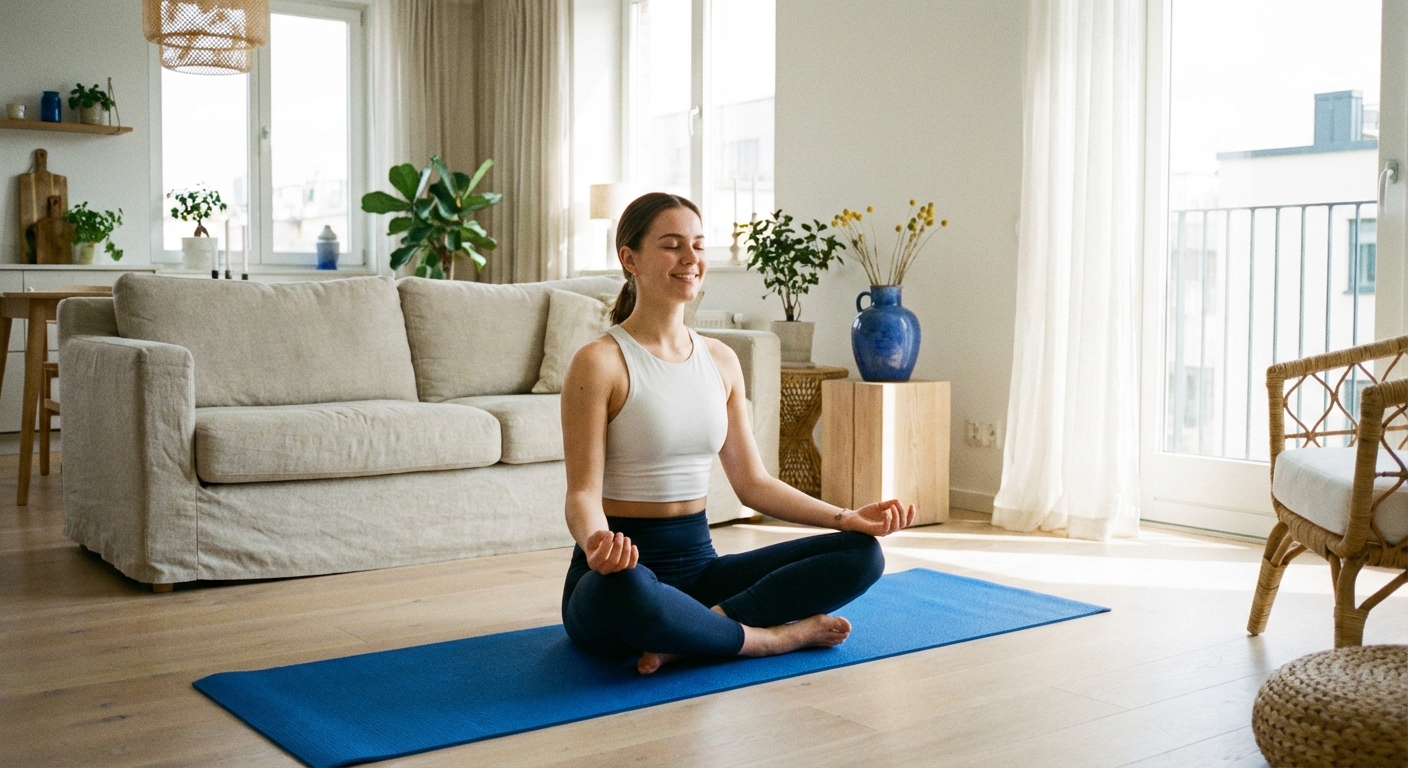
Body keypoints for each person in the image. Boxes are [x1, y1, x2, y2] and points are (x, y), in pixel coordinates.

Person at [560, 192, 915, 674]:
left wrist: (847, 517)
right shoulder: (599, 361)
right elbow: (582, 493)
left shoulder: (721, 360)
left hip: (701, 571)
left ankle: (701, 630)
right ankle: (771, 640)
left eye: (698, 245)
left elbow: (753, 483)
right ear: (630, 259)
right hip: (623, 574)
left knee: (861, 554)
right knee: (630, 590)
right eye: (672, 246)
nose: (691, 259)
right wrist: (597, 543)